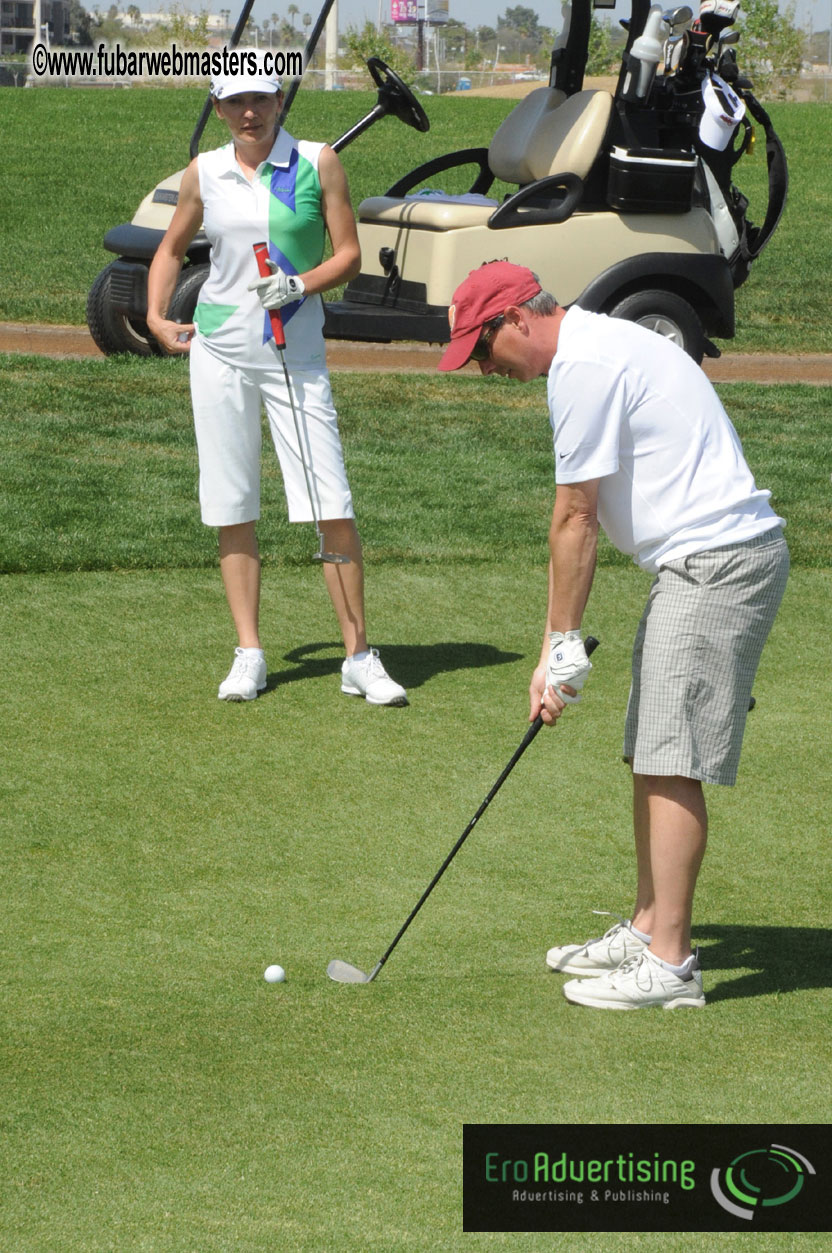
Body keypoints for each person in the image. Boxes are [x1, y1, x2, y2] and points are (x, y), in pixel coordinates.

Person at [438, 260, 789, 1010]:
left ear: (518, 321)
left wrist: (559, 645)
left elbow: (575, 518)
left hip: (718, 563)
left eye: (480, 347)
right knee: (651, 746)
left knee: (673, 756)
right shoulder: (595, 345)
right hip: (700, 562)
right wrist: (553, 646)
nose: (479, 368)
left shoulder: (584, 366)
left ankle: (672, 965)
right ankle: (647, 925)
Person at [147, 60, 407, 706]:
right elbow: (172, 247)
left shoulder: (318, 163)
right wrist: (156, 316)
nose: (249, 113)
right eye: (235, 102)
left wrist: (298, 283)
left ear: (280, 98)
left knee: (331, 502)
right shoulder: (203, 171)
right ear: (218, 106)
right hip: (220, 350)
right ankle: (250, 653)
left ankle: (358, 656)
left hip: (296, 353)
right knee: (232, 502)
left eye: (260, 99)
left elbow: (346, 254)